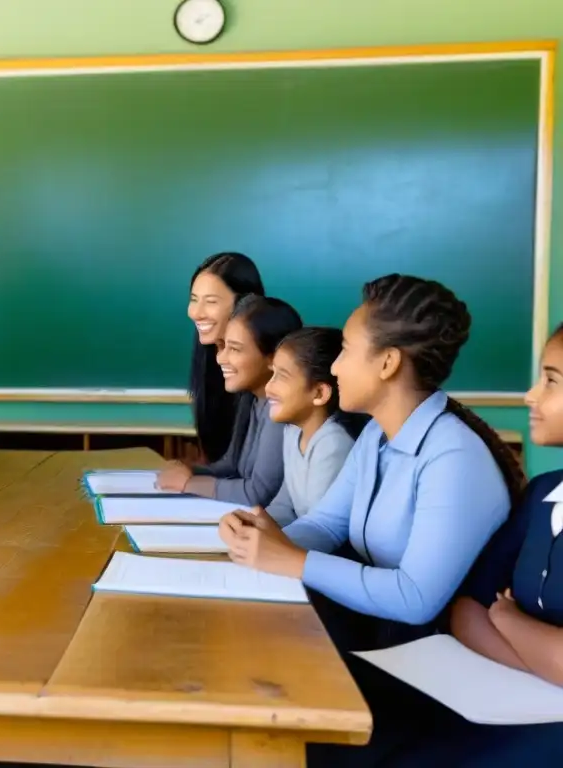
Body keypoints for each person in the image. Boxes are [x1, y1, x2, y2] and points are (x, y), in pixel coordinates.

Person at [218, 274, 525, 766]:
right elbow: (328, 525)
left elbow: (415, 598)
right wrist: (261, 542)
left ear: (388, 362)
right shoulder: (376, 438)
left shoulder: (452, 455)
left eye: (344, 349)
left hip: (436, 672)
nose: (334, 365)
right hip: (383, 648)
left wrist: (290, 560)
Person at [391, 324, 563, 766]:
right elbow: (466, 609)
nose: (530, 395)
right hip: (505, 697)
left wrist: (508, 619)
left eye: (551, 380)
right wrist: (543, 663)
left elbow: (491, 611)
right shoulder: (543, 492)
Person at [158, 295, 301, 505]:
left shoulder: (281, 411)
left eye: (234, 349)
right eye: (222, 347)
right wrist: (190, 470)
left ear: (273, 359)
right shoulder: (251, 399)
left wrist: (188, 484)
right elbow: (232, 465)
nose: (220, 358)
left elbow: (258, 494)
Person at [264, 327, 367, 526]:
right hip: (298, 544)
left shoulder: (334, 443)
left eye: (282, 376)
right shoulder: (292, 431)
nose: (269, 386)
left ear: (319, 393)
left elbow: (322, 527)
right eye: (272, 374)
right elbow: (284, 504)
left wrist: (269, 544)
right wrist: (257, 524)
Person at [187, 252, 265, 464]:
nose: (196, 313)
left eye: (211, 302)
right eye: (194, 300)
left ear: (245, 302)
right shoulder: (209, 357)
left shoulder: (265, 371)